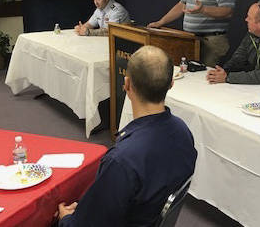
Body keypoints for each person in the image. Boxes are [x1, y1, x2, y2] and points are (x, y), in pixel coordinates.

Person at [57, 45, 197, 226]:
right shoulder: (183, 131)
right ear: (171, 84)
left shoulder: (122, 160)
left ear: (127, 84)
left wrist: (65, 219)